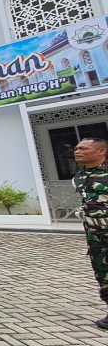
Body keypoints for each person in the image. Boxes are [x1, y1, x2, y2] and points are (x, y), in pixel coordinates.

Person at [73, 137, 108, 329]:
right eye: (77, 148)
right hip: (95, 236)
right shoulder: (79, 177)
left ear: (101, 151)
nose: (77, 151)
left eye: (83, 148)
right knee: (102, 273)